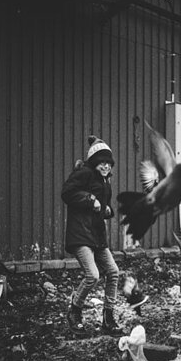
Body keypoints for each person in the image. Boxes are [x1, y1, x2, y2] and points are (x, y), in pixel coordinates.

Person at [61, 135, 124, 336]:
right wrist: (90, 199)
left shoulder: (104, 181)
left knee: (113, 272)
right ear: (94, 162)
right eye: (102, 162)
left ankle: (108, 318)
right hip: (80, 233)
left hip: (97, 235)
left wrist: (106, 209)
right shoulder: (84, 173)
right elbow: (67, 193)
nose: (106, 166)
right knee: (93, 275)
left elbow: (101, 204)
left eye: (108, 163)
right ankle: (74, 312)